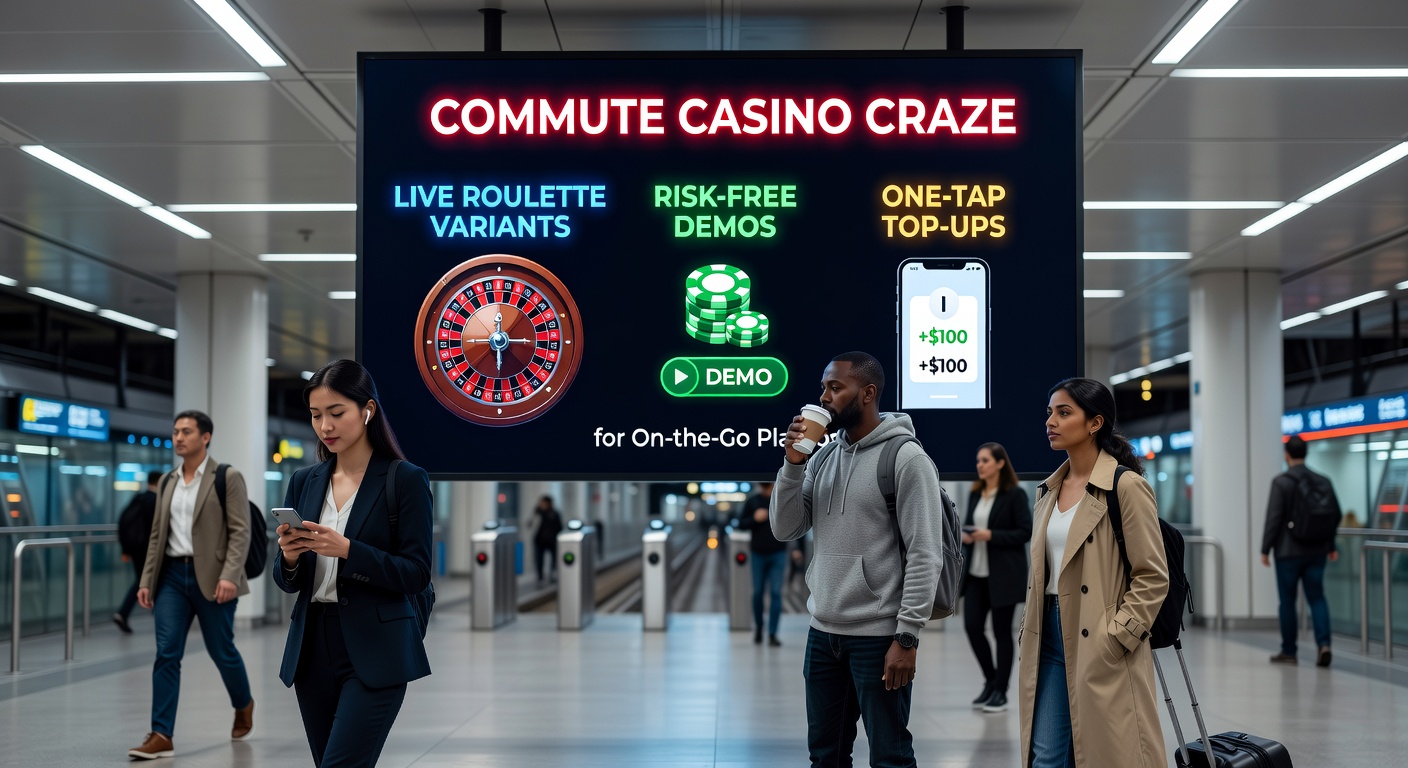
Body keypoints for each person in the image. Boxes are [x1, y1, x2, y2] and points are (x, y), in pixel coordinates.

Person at [771, 351, 944, 768]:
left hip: (879, 635)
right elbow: (785, 527)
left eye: (836, 388)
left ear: (867, 394)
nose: (825, 397)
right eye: (823, 388)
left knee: (890, 756)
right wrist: (793, 464)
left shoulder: (906, 459)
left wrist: (907, 637)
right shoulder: (825, 456)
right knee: (825, 756)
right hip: (823, 632)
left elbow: (925, 552)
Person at [274, 359, 433, 768]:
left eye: (336, 413)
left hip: (376, 648)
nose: (325, 426)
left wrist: (349, 551)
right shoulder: (304, 480)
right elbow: (289, 581)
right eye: (315, 415)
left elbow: (415, 573)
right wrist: (290, 558)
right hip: (312, 649)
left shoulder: (405, 479)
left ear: (367, 411)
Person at [1017, 378, 1167, 768]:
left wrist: (1118, 635)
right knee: (1046, 755)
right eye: (1050, 412)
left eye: (1064, 413)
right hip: (1047, 635)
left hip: (1098, 632)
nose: (1051, 421)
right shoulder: (1048, 491)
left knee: (1102, 752)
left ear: (1095, 423)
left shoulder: (1125, 486)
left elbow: (1152, 575)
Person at [128, 411, 253, 760]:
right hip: (171, 577)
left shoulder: (226, 477)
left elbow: (240, 531)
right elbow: (157, 534)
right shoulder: (167, 481)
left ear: (206, 437)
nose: (178, 437)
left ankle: (243, 703)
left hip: (214, 578)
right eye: (176, 431)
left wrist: (230, 574)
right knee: (167, 652)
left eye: (186, 431)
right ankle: (161, 734)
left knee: (221, 650)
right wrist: (147, 579)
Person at [962, 442, 1032, 714]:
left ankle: (1000, 692)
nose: (979, 465)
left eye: (985, 461)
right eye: (978, 460)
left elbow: (1025, 532)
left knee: (1002, 633)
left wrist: (990, 535)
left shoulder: (1014, 494)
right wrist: (967, 535)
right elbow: (969, 523)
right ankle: (991, 682)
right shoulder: (976, 493)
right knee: (972, 627)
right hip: (976, 574)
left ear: (1000, 463)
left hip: (1004, 575)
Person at [1261, 434, 1341, 667]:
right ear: (1306, 453)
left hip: (1288, 552)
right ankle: (1324, 645)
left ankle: (1289, 651)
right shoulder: (1323, 481)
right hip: (1317, 550)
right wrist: (1331, 545)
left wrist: (1265, 549)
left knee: (1287, 602)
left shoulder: (1282, 482)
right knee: (1317, 597)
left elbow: (1274, 518)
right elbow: (1334, 514)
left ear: (1287, 455)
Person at [737, 481, 787, 646]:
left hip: (778, 553)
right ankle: (759, 627)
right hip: (758, 553)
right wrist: (754, 518)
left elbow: (793, 521)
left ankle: (772, 633)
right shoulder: (752, 501)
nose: (765, 488)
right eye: (763, 486)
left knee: (775, 593)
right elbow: (741, 524)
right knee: (757, 592)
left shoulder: (781, 499)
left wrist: (797, 549)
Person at [114, 470, 164, 634]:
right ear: (159, 482)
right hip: (148, 550)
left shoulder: (138, 498)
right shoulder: (156, 500)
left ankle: (126, 613)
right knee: (146, 581)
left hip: (135, 549)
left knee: (144, 581)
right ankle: (124, 613)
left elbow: (124, 521)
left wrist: (125, 549)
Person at [532, 496, 564, 582]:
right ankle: (540, 576)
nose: (541, 504)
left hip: (552, 541)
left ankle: (552, 574)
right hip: (539, 540)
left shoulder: (554, 514)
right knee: (539, 559)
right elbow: (532, 524)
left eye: (543, 502)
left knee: (553, 559)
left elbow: (559, 527)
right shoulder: (537, 513)